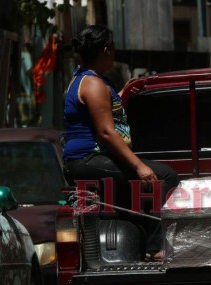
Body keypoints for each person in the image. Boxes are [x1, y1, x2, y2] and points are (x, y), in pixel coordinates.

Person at [63, 25, 180, 261]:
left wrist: (121, 93)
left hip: (89, 157)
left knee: (136, 194)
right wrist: (138, 166)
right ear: (106, 50)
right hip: (88, 158)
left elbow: (103, 112)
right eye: (113, 48)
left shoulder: (85, 80)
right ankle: (157, 247)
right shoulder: (94, 85)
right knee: (165, 176)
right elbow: (106, 132)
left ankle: (141, 240)